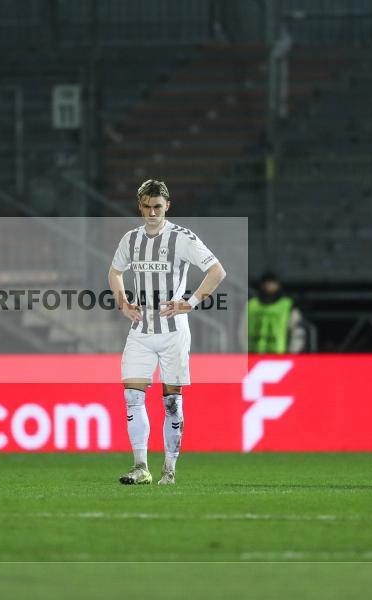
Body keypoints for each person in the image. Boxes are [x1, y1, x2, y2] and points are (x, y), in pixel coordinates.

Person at [107, 179, 226, 485]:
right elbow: (115, 272)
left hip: (174, 332)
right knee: (132, 397)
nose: (152, 213)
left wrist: (191, 302)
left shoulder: (182, 238)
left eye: (157, 207)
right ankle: (141, 467)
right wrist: (123, 302)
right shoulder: (131, 239)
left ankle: (169, 470)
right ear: (139, 206)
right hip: (141, 330)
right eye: (146, 207)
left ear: (167, 206)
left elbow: (217, 271)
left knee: (171, 403)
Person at [245, 272, 305, 354]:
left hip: (279, 354)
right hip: (253, 353)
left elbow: (297, 332)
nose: (269, 286)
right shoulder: (251, 305)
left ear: (278, 285)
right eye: (267, 283)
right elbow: (242, 331)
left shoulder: (287, 306)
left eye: (272, 283)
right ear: (261, 285)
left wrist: (292, 353)